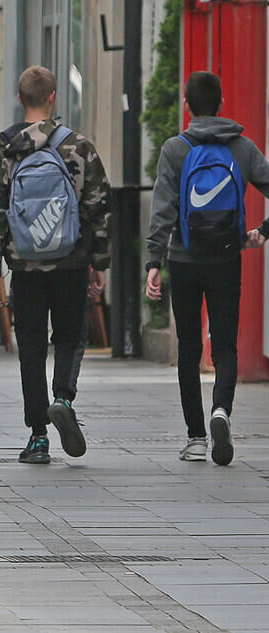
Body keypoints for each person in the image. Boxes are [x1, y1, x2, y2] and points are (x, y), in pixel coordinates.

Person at [0, 66, 111, 464]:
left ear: (21, 100)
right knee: (70, 337)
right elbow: (99, 208)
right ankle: (64, 399)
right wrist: (99, 262)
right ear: (54, 97)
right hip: (71, 261)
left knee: (31, 347)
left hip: (25, 265)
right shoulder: (78, 146)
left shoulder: (6, 148)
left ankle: (38, 435)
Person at [146, 71, 269, 465]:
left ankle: (196, 437)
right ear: (221, 104)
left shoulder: (174, 149)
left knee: (189, 348)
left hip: (183, 260)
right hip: (226, 258)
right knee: (226, 345)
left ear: (186, 106)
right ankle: (222, 410)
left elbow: (163, 207)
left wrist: (153, 261)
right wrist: (264, 231)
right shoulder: (242, 147)